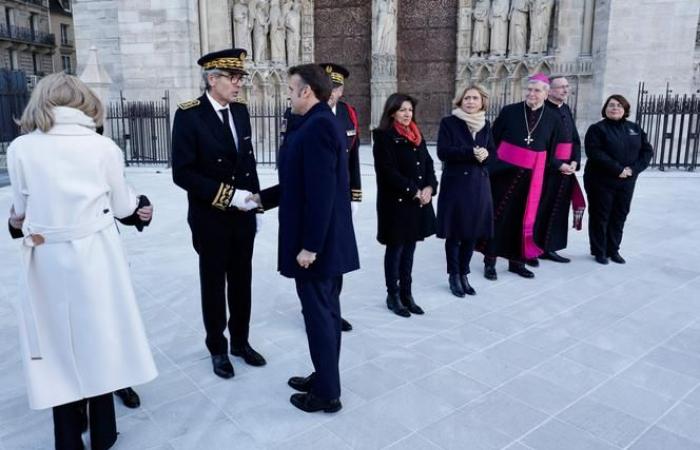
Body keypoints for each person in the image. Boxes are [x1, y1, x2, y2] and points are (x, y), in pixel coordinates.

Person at [6, 72, 157, 450]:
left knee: (56, 345)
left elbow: (20, 213)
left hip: (46, 257)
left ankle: (67, 437)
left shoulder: (21, 148)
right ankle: (104, 433)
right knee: (100, 338)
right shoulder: (102, 146)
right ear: (84, 101)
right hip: (96, 256)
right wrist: (138, 203)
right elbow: (123, 206)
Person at [258, 64, 359, 413]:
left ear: (306, 92)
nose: (288, 94)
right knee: (326, 314)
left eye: (290, 89)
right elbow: (300, 182)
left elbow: (321, 194)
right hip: (325, 242)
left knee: (319, 317)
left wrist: (310, 246)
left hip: (320, 246)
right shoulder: (317, 122)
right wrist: (261, 200)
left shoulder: (317, 127)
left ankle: (327, 395)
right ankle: (325, 376)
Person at [172, 48, 266, 380]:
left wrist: (255, 200)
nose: (240, 84)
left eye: (240, 77)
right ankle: (217, 348)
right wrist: (229, 196)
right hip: (211, 218)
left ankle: (241, 341)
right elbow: (182, 173)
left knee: (243, 281)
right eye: (234, 78)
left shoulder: (240, 112)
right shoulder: (189, 115)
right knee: (213, 285)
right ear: (213, 79)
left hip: (243, 217)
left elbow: (247, 161)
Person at [480, 73, 564, 280]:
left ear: (546, 94)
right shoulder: (510, 111)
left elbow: (551, 150)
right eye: (530, 89)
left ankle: (517, 262)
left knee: (523, 220)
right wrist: (491, 166)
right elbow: (493, 140)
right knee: (498, 217)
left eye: (537, 90)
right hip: (503, 174)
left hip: (532, 178)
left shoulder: (553, 118)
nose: (532, 94)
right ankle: (489, 261)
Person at [373, 93, 437, 317]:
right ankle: (393, 295)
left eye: (410, 110)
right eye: (402, 110)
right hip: (397, 204)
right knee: (396, 250)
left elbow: (428, 163)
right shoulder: (383, 137)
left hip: (417, 204)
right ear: (392, 112)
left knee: (410, 250)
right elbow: (387, 172)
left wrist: (430, 187)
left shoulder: (416, 135)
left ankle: (407, 294)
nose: (407, 114)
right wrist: (414, 191)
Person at [437, 85, 494, 297]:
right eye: (467, 98)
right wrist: (470, 152)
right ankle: (454, 275)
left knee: (472, 233)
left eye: (475, 98)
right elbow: (443, 151)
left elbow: (494, 155)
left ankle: (464, 273)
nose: (470, 102)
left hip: (479, 187)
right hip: (456, 186)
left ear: (482, 102)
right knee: (455, 233)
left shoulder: (486, 124)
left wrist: (486, 155)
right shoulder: (449, 123)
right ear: (460, 101)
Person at [583, 95, 653, 264]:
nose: (615, 108)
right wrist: (618, 169)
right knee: (601, 215)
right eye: (611, 105)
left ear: (625, 109)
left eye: (619, 105)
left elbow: (647, 151)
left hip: (627, 180)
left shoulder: (634, 128)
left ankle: (613, 250)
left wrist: (633, 169)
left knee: (620, 214)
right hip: (601, 180)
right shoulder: (597, 129)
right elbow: (595, 152)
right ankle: (599, 251)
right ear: (605, 109)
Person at [321, 62, 362, 331]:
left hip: (341, 195)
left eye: (336, 87)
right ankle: (317, 309)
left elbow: (353, 157)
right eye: (328, 86)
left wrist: (355, 194)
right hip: (319, 195)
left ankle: (333, 307)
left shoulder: (348, 113)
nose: (332, 92)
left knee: (338, 254)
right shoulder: (308, 112)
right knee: (319, 253)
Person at [535, 76, 586, 263]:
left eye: (567, 86)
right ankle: (534, 247)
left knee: (558, 210)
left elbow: (574, 139)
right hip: (547, 169)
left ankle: (550, 247)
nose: (565, 90)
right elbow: (540, 144)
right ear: (549, 90)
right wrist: (557, 164)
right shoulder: (541, 110)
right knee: (541, 209)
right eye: (561, 87)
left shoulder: (565, 109)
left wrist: (575, 161)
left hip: (566, 170)